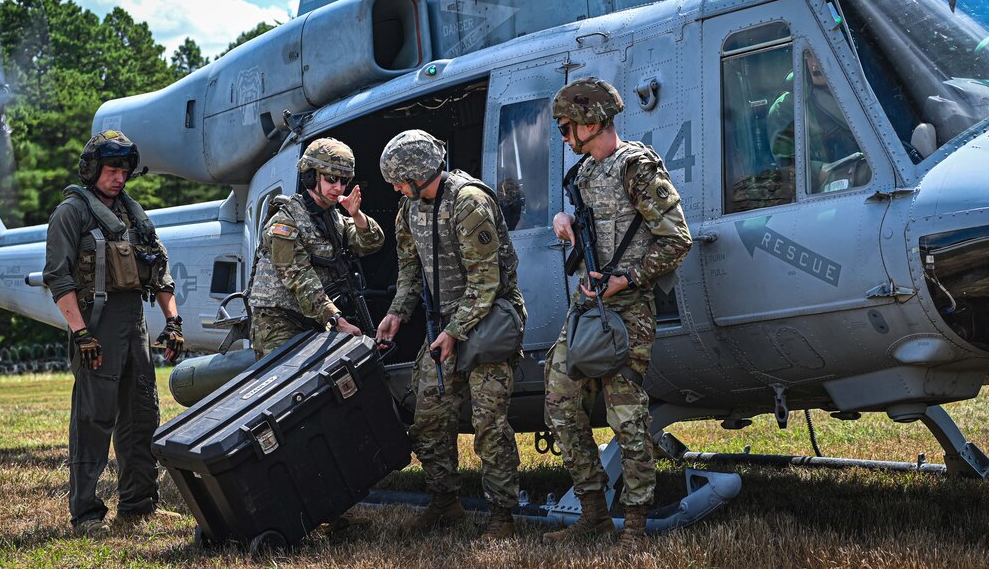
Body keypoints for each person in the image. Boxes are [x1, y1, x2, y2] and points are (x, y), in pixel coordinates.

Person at [542, 78, 692, 549]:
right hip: (588, 307)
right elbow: (591, 231)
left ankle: (635, 525)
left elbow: (676, 239)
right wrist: (564, 225)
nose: (565, 138)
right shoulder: (584, 174)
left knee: (627, 417)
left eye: (567, 128)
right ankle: (593, 511)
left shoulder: (637, 168)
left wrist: (625, 279)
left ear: (590, 122)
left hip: (627, 310)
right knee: (559, 401)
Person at [375, 129, 527, 540]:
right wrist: (396, 314)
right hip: (445, 325)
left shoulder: (469, 202)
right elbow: (409, 270)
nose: (394, 187)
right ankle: (446, 502)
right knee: (428, 418)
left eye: (399, 179)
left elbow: (486, 281)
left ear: (421, 173)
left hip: (488, 319)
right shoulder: (409, 208)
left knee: (488, 423)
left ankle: (502, 514)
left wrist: (455, 333)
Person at [44, 130, 184, 536]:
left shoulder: (134, 214)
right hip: (96, 326)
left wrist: (172, 321)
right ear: (92, 171)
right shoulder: (71, 213)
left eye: (123, 171)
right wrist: (82, 334)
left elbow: (159, 269)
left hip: (134, 327)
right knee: (92, 420)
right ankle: (85, 513)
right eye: (111, 170)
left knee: (142, 417)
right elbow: (58, 278)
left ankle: (139, 503)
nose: (119, 178)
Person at [248, 137, 384, 360]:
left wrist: (356, 214)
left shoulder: (334, 218)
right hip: (279, 320)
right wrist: (337, 320)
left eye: (344, 180)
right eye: (331, 179)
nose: (338, 187)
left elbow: (371, 242)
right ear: (311, 176)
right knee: (286, 384)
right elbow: (298, 276)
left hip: (315, 316)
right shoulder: (286, 221)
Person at [768, 49, 864, 192]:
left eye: (819, 51)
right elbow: (787, 164)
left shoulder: (860, 89)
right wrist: (820, 171)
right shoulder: (786, 107)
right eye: (808, 55)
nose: (814, 62)